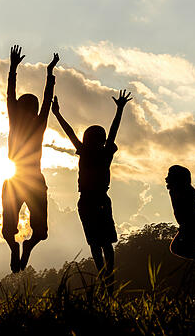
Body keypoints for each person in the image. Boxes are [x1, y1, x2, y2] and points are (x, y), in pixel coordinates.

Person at [52, 90, 132, 290]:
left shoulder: (92, 152)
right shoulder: (102, 152)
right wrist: (120, 110)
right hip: (95, 200)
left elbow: (70, 132)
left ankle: (106, 276)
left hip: (91, 200)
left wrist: (57, 114)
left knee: (98, 243)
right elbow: (111, 132)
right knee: (102, 243)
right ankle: (107, 275)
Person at [3, 45, 59, 273]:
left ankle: (22, 248)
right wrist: (48, 74)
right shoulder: (35, 123)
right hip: (27, 179)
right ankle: (18, 249)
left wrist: (14, 68)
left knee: (33, 231)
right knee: (17, 229)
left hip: (20, 179)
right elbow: (43, 101)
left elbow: (13, 97)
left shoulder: (22, 122)